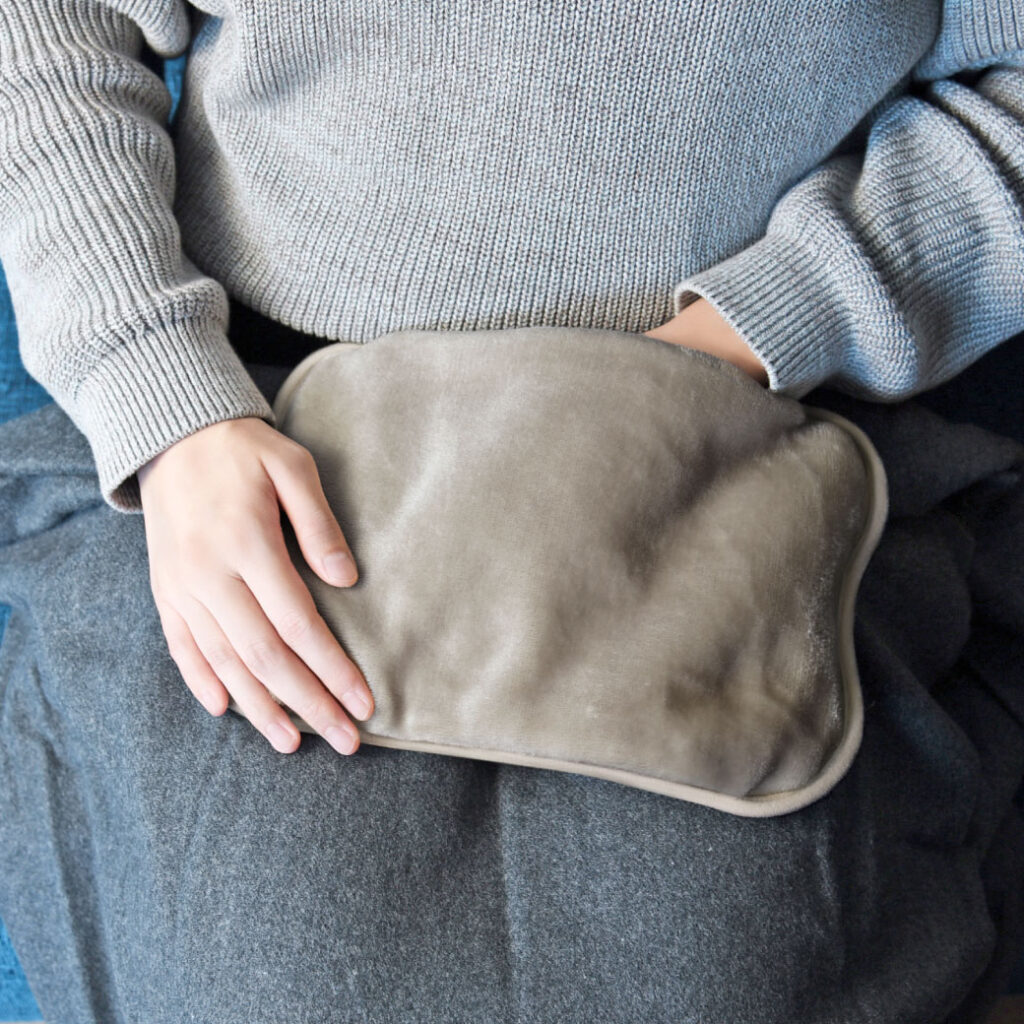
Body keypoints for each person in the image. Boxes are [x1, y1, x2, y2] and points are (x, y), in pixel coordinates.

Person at [0, 1, 1023, 1021]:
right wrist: (161, 395)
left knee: (751, 966)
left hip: (764, 407)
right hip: (250, 419)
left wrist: (779, 315)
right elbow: (45, 33)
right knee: (257, 968)